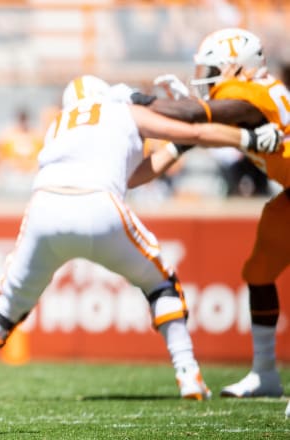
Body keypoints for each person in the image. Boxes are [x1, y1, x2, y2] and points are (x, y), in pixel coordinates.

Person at [0, 74, 283, 401]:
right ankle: (188, 375)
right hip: (99, 204)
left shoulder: (60, 122)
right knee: (160, 283)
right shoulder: (120, 110)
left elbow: (132, 174)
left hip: (44, 209)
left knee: (10, 300)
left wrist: (176, 146)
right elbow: (195, 131)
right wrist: (248, 139)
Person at [137, 28, 289, 406]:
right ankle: (266, 373)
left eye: (211, 68)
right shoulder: (239, 102)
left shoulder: (251, 94)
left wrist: (135, 101)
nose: (204, 75)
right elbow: (186, 136)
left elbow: (193, 115)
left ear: (236, 68)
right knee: (259, 272)